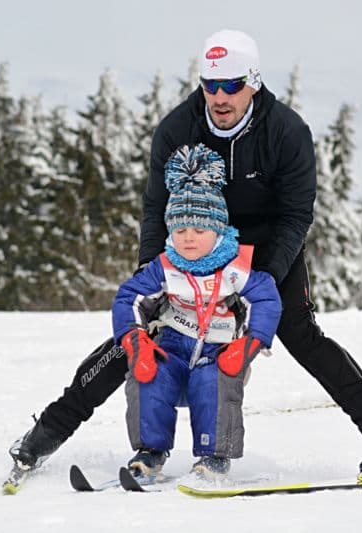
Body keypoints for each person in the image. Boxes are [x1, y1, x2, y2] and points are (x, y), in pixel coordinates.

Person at [9, 28, 362, 476]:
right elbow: (155, 206)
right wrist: (153, 266)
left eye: (232, 85)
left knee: (299, 332)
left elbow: (296, 215)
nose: (220, 97)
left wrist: (257, 278)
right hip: (193, 242)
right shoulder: (177, 129)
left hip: (267, 248)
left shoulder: (286, 132)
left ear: (254, 82)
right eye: (210, 84)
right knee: (140, 331)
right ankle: (47, 433)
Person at [114, 143, 281, 478]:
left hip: (219, 353)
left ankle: (214, 456)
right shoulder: (164, 267)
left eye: (199, 231)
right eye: (179, 230)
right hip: (173, 348)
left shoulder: (235, 268)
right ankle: (149, 452)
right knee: (148, 376)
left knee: (213, 382)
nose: (188, 239)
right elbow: (128, 297)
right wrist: (135, 340)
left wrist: (251, 343)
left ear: (217, 230)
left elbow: (265, 299)